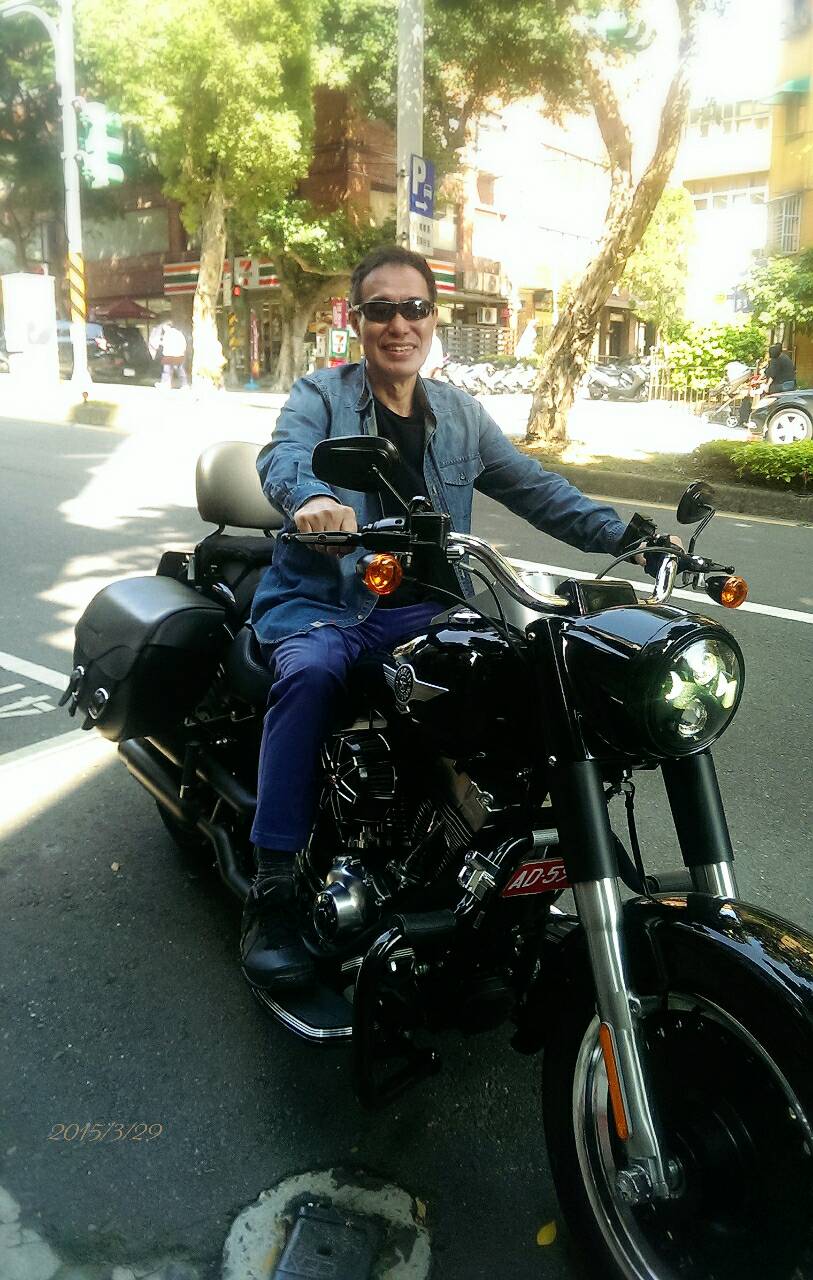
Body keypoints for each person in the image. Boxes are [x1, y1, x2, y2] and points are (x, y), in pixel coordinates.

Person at [241, 246, 646, 992]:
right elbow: (283, 456)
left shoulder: (460, 414)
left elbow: (536, 488)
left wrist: (629, 538)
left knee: (529, 677)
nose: (399, 324)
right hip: (329, 605)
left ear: (433, 317)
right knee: (310, 675)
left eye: (414, 308)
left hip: (432, 607)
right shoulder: (320, 395)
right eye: (381, 310)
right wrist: (310, 500)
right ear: (356, 320)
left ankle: (482, 858)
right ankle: (274, 886)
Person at [148, 319, 188, 389]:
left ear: (167, 326)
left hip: (169, 354)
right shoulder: (178, 333)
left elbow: (166, 344)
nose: (163, 328)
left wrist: (158, 344)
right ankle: (184, 385)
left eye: (164, 327)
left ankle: (166, 384)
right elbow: (183, 343)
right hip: (179, 354)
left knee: (167, 371)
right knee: (179, 370)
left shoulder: (168, 334)